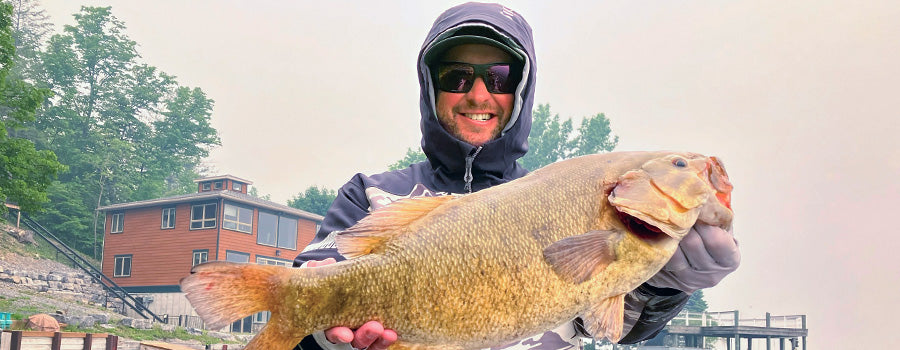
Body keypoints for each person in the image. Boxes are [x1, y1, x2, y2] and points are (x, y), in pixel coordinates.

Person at [292, 3, 740, 350]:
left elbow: (614, 328)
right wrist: (324, 334)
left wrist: (667, 286)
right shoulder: (369, 194)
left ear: (522, 91)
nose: (480, 94)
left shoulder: (565, 196)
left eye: (501, 77)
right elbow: (312, 296)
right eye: (457, 76)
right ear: (431, 86)